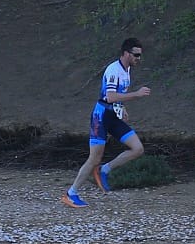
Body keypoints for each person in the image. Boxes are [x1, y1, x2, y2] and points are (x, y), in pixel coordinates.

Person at [63, 38, 150, 207]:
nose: (139, 58)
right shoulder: (114, 70)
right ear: (126, 53)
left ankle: (105, 170)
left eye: (140, 55)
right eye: (136, 55)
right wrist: (137, 94)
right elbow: (109, 96)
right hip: (101, 117)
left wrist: (122, 107)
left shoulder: (127, 70)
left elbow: (117, 95)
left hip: (113, 116)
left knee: (137, 148)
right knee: (94, 158)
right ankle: (71, 193)